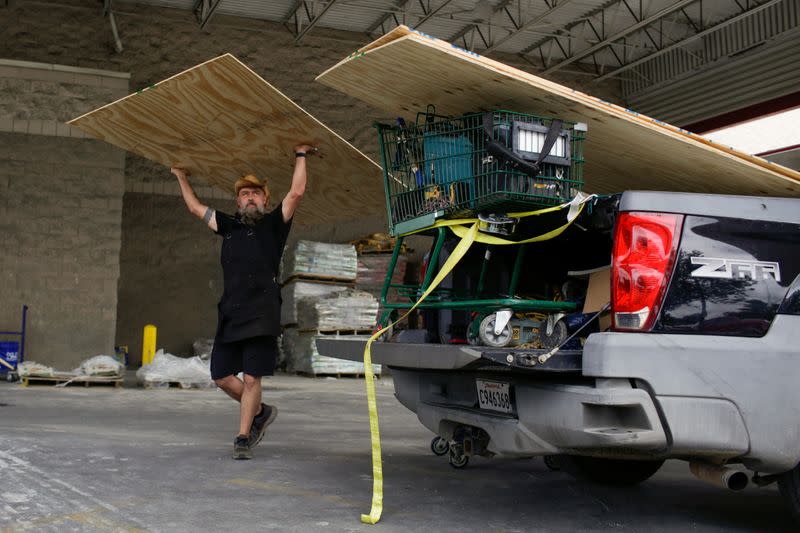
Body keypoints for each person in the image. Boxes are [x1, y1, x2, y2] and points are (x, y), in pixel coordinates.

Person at [171, 144, 316, 459]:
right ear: (237, 201)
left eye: (256, 193)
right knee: (222, 376)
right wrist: (181, 176)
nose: (250, 197)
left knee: (252, 377)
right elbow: (196, 208)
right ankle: (260, 412)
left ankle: (242, 436)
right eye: (245, 194)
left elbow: (296, 192)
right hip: (231, 313)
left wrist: (300, 155)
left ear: (265, 199)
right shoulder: (228, 227)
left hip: (262, 314)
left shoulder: (274, 225)